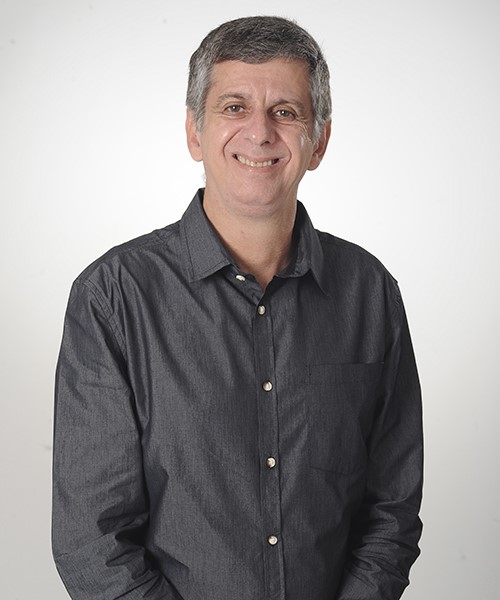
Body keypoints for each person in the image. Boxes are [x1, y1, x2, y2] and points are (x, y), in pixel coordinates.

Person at [52, 15, 423, 600]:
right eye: (234, 107)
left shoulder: (369, 294)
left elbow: (391, 510)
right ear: (194, 133)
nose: (260, 132)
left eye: (286, 111)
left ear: (319, 141)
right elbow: (92, 540)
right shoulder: (115, 296)